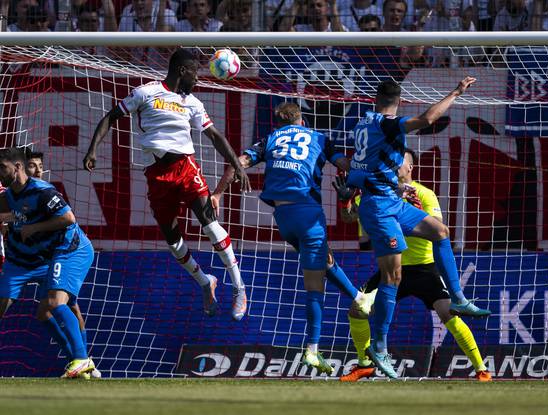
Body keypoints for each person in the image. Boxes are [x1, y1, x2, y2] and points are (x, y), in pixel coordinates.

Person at [83, 49, 251, 321]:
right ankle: (205, 282)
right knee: (173, 242)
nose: (198, 78)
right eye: (195, 73)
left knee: (209, 224)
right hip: (157, 175)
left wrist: (237, 165)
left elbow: (215, 136)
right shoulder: (146, 92)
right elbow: (110, 117)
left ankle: (239, 288)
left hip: (185, 168)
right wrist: (92, 150)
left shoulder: (193, 103)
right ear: (182, 70)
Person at [341, 78, 490, 378]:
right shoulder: (386, 124)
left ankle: (459, 299)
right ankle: (379, 349)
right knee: (392, 277)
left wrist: (353, 182)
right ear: (399, 101)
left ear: (375, 98)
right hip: (380, 206)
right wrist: (456, 91)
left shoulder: (362, 124)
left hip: (391, 202)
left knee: (440, 231)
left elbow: (359, 163)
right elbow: (428, 119)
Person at [212, 102, 376, 375]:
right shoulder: (319, 138)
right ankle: (313, 348)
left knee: (324, 261)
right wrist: (365, 170)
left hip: (283, 218)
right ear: (302, 121)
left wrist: (217, 194)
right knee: (315, 287)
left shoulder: (271, 139)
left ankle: (358, 297)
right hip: (308, 215)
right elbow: (345, 164)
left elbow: (237, 164)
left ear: (278, 123)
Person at [0, 147, 95, 378]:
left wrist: (34, 227)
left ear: (17, 167)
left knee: (59, 303)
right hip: (19, 261)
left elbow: (68, 218)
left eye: (2, 168)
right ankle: (79, 362)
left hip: (67, 251)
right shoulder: (7, 197)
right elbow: (8, 217)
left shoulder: (43, 192)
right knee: (44, 312)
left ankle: (83, 359)